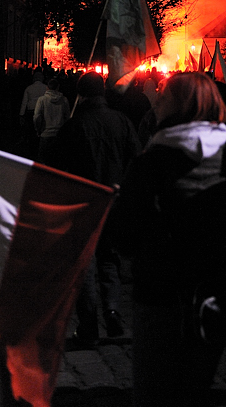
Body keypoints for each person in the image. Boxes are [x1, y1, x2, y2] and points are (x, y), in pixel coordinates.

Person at [116, 72, 226, 407]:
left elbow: (126, 236)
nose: (156, 99)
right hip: (214, 290)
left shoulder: (153, 161)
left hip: (161, 294)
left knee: (154, 391)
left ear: (178, 105)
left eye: (163, 94)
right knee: (195, 389)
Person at [53, 72, 140, 343]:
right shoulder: (121, 122)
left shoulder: (74, 126)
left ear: (80, 94)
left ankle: (89, 324)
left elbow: (57, 167)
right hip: (114, 202)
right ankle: (112, 313)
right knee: (109, 259)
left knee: (85, 265)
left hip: (83, 203)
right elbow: (136, 161)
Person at [33, 77, 70, 164]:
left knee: (44, 163)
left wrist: (38, 130)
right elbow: (67, 117)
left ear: (47, 88)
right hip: (59, 135)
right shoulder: (64, 100)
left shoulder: (42, 100)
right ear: (58, 87)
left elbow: (37, 117)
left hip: (45, 134)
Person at [19, 69, 47, 157]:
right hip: (42, 112)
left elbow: (24, 102)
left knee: (31, 132)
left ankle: (32, 150)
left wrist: (21, 115)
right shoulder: (46, 88)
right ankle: (39, 150)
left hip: (31, 112)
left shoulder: (29, 88)